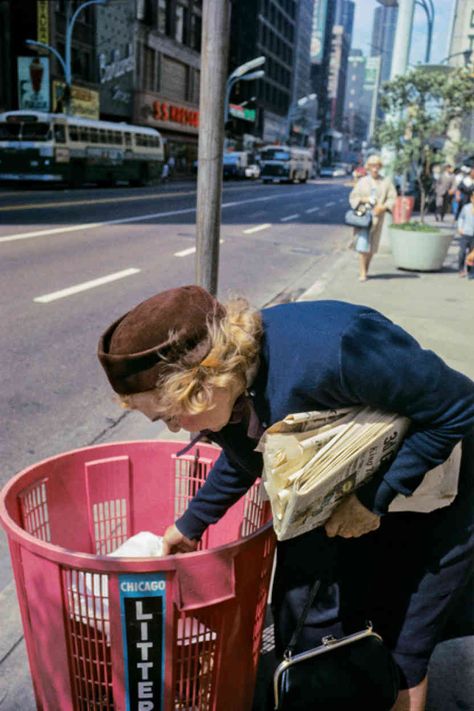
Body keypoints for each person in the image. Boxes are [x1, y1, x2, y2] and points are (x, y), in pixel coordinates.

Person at [98, 285, 474, 711]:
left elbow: (459, 406)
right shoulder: (231, 392)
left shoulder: (336, 349)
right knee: (334, 630)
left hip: (431, 496)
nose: (171, 428)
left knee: (403, 643)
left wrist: (372, 500)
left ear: (202, 384)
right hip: (343, 490)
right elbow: (248, 455)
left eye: (169, 414)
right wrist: (190, 525)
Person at [349, 154, 397, 281]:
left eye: (377, 166)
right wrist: (364, 199)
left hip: (377, 218)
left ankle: (366, 268)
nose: (375, 169)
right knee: (362, 244)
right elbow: (353, 197)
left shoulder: (386, 182)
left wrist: (384, 206)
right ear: (368, 167)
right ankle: (362, 272)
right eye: (372, 166)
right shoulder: (363, 182)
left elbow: (392, 198)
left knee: (372, 247)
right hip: (364, 216)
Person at [457, 190, 474, 277]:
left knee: (472, 254)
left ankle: (470, 271)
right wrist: (460, 228)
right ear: (471, 199)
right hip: (465, 234)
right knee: (462, 252)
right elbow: (461, 218)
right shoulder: (466, 208)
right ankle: (460, 269)